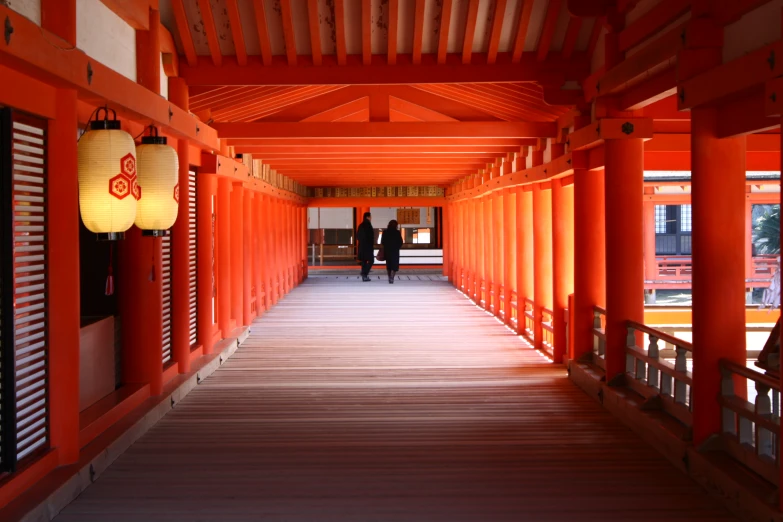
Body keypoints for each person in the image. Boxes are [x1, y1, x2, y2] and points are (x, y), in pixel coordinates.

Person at [381, 219, 403, 284]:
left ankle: (389, 277)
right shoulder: (397, 232)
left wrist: (386, 246)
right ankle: (392, 277)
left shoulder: (385, 232)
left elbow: (382, 241)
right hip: (395, 251)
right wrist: (397, 247)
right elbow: (400, 242)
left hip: (387, 250)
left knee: (389, 264)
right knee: (394, 265)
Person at [356, 211, 375, 281]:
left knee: (363, 261)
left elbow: (357, 236)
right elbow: (371, 237)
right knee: (371, 260)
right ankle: (364, 273)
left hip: (361, 246)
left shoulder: (361, 225)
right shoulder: (368, 225)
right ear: (367, 217)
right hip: (368, 247)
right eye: (370, 216)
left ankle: (364, 276)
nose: (371, 218)